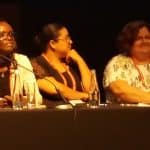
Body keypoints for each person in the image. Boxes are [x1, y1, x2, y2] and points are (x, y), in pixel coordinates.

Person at [31, 23, 92, 104]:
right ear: (52, 43)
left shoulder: (70, 63)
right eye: (66, 38)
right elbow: (56, 89)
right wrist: (85, 96)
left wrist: (80, 60)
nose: (70, 41)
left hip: (79, 113)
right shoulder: (36, 63)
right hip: (54, 114)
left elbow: (90, 90)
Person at [103, 20, 150, 104]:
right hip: (127, 116)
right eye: (139, 38)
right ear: (128, 42)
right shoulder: (118, 63)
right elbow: (121, 91)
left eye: (147, 37)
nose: (144, 41)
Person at [0, 19, 42, 107]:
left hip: (15, 115)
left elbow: (37, 98)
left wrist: (23, 100)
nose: (9, 38)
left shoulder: (21, 61)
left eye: (11, 34)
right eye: (2, 35)